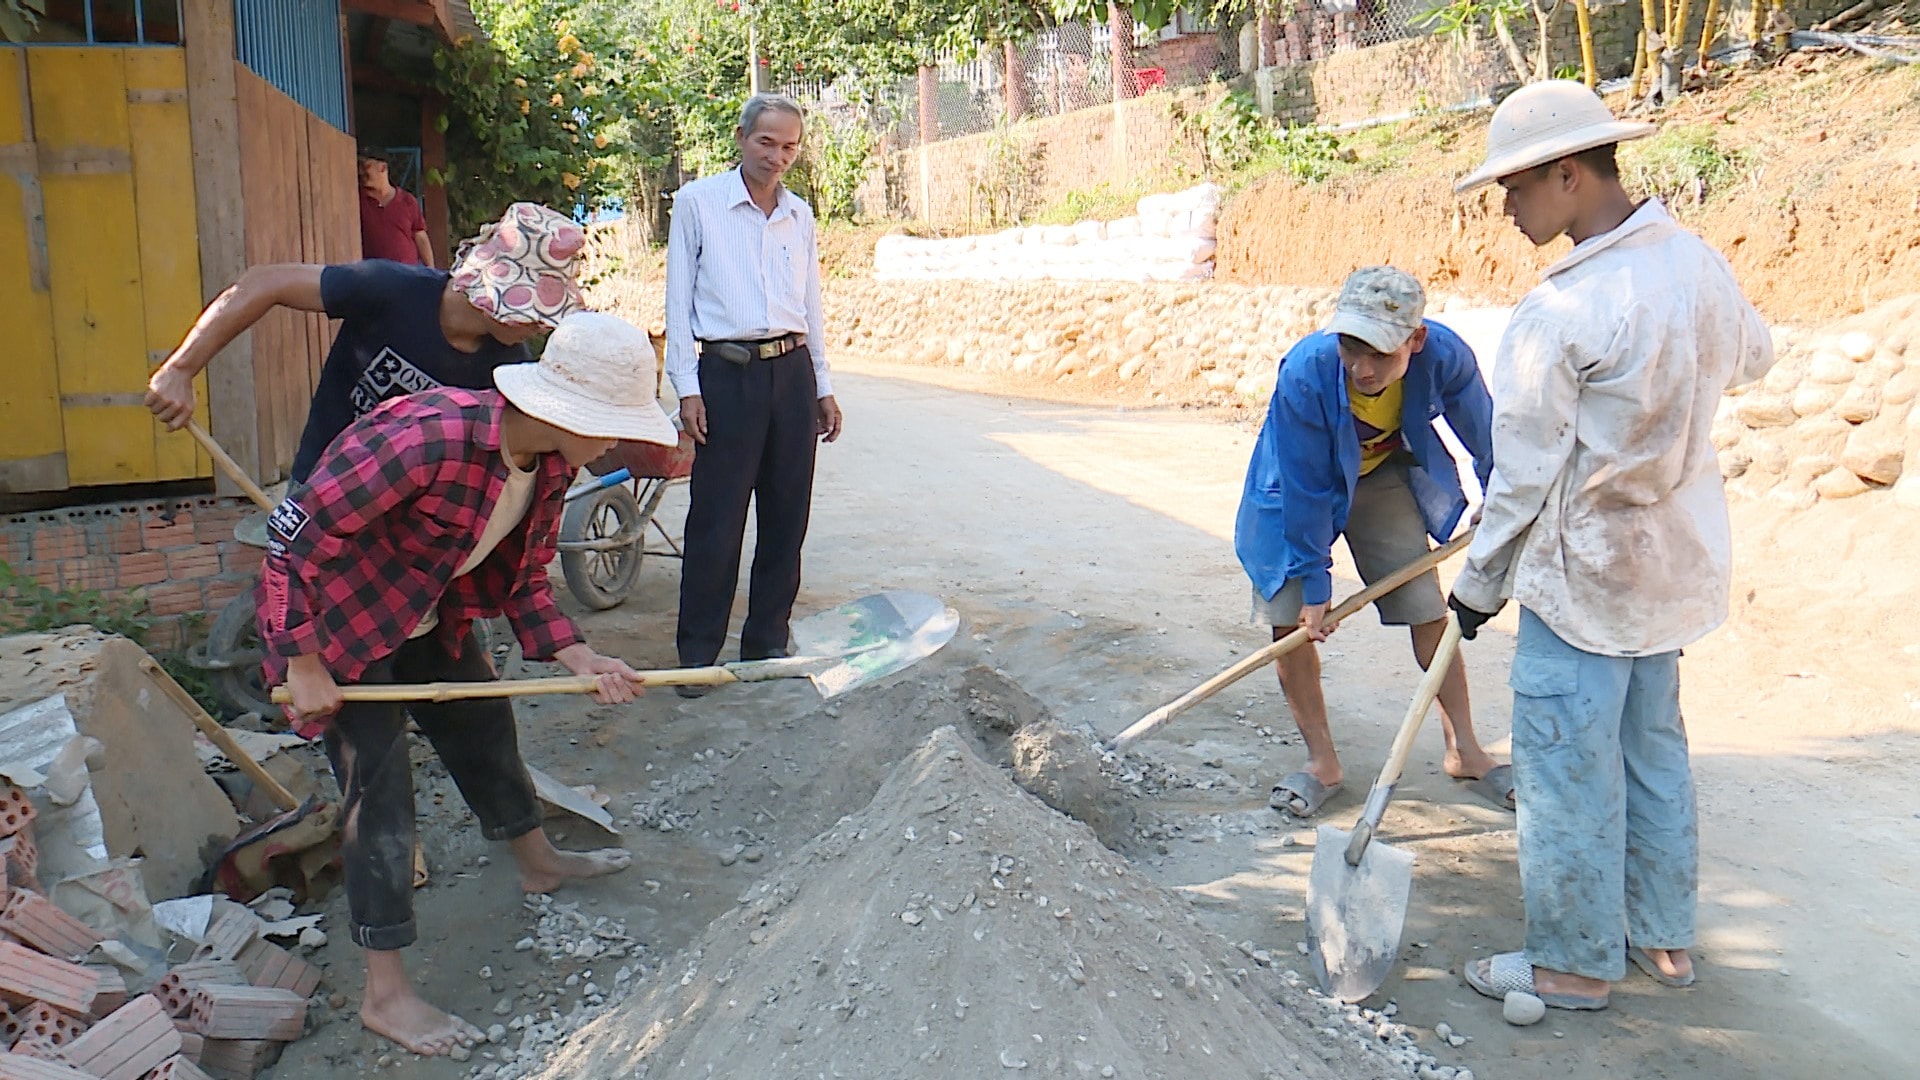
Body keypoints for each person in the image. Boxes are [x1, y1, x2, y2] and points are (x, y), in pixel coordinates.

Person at [261, 312, 680, 1056]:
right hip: (344, 634)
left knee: (486, 731)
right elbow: (292, 539)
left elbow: (523, 581)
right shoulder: (426, 437)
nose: (615, 442)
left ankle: (537, 862)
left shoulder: (549, 468)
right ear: (559, 410)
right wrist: (302, 661)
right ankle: (384, 995)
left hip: (428, 616)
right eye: (609, 425)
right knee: (379, 797)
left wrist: (579, 657)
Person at [1446, 81, 1774, 1011]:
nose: (1506, 209)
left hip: (1586, 578)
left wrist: (1479, 584)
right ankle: (1663, 942)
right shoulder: (1698, 264)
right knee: (1652, 752)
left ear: (1567, 174)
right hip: (1668, 569)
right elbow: (1755, 358)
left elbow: (1522, 473)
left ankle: (1572, 965)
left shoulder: (1562, 310)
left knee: (1564, 770)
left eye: (1513, 189)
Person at [1234, 266, 1510, 818]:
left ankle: (1466, 751)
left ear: (1416, 340)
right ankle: (1322, 764)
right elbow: (1307, 488)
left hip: (1379, 473)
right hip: (1294, 487)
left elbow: (1488, 434)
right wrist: (1316, 584)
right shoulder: (1307, 374)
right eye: (1351, 348)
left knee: (1427, 608)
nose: (1362, 368)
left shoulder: (1445, 357)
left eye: (1380, 354)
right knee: (1291, 618)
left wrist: (1501, 500)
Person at [147, 202, 587, 485]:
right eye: (534, 313)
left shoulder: (510, 369)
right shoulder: (392, 289)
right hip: (321, 485)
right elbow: (267, 282)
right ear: (496, 290)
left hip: (409, 520)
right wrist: (182, 369)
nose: (538, 327)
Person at [664, 93, 842, 689]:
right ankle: (696, 659)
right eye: (767, 142)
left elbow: (811, 305)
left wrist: (822, 384)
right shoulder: (697, 204)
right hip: (726, 375)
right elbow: (678, 300)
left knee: (787, 517)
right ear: (741, 138)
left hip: (791, 375)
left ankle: (765, 645)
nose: (777, 156)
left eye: (789, 146)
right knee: (716, 521)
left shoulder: (801, 215)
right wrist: (687, 388)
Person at [358, 149, 434, 267]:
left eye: (366, 166)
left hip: (407, 276)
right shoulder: (357, 201)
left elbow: (420, 237)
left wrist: (431, 271)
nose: (360, 172)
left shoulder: (407, 201)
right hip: (373, 278)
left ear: (382, 168)